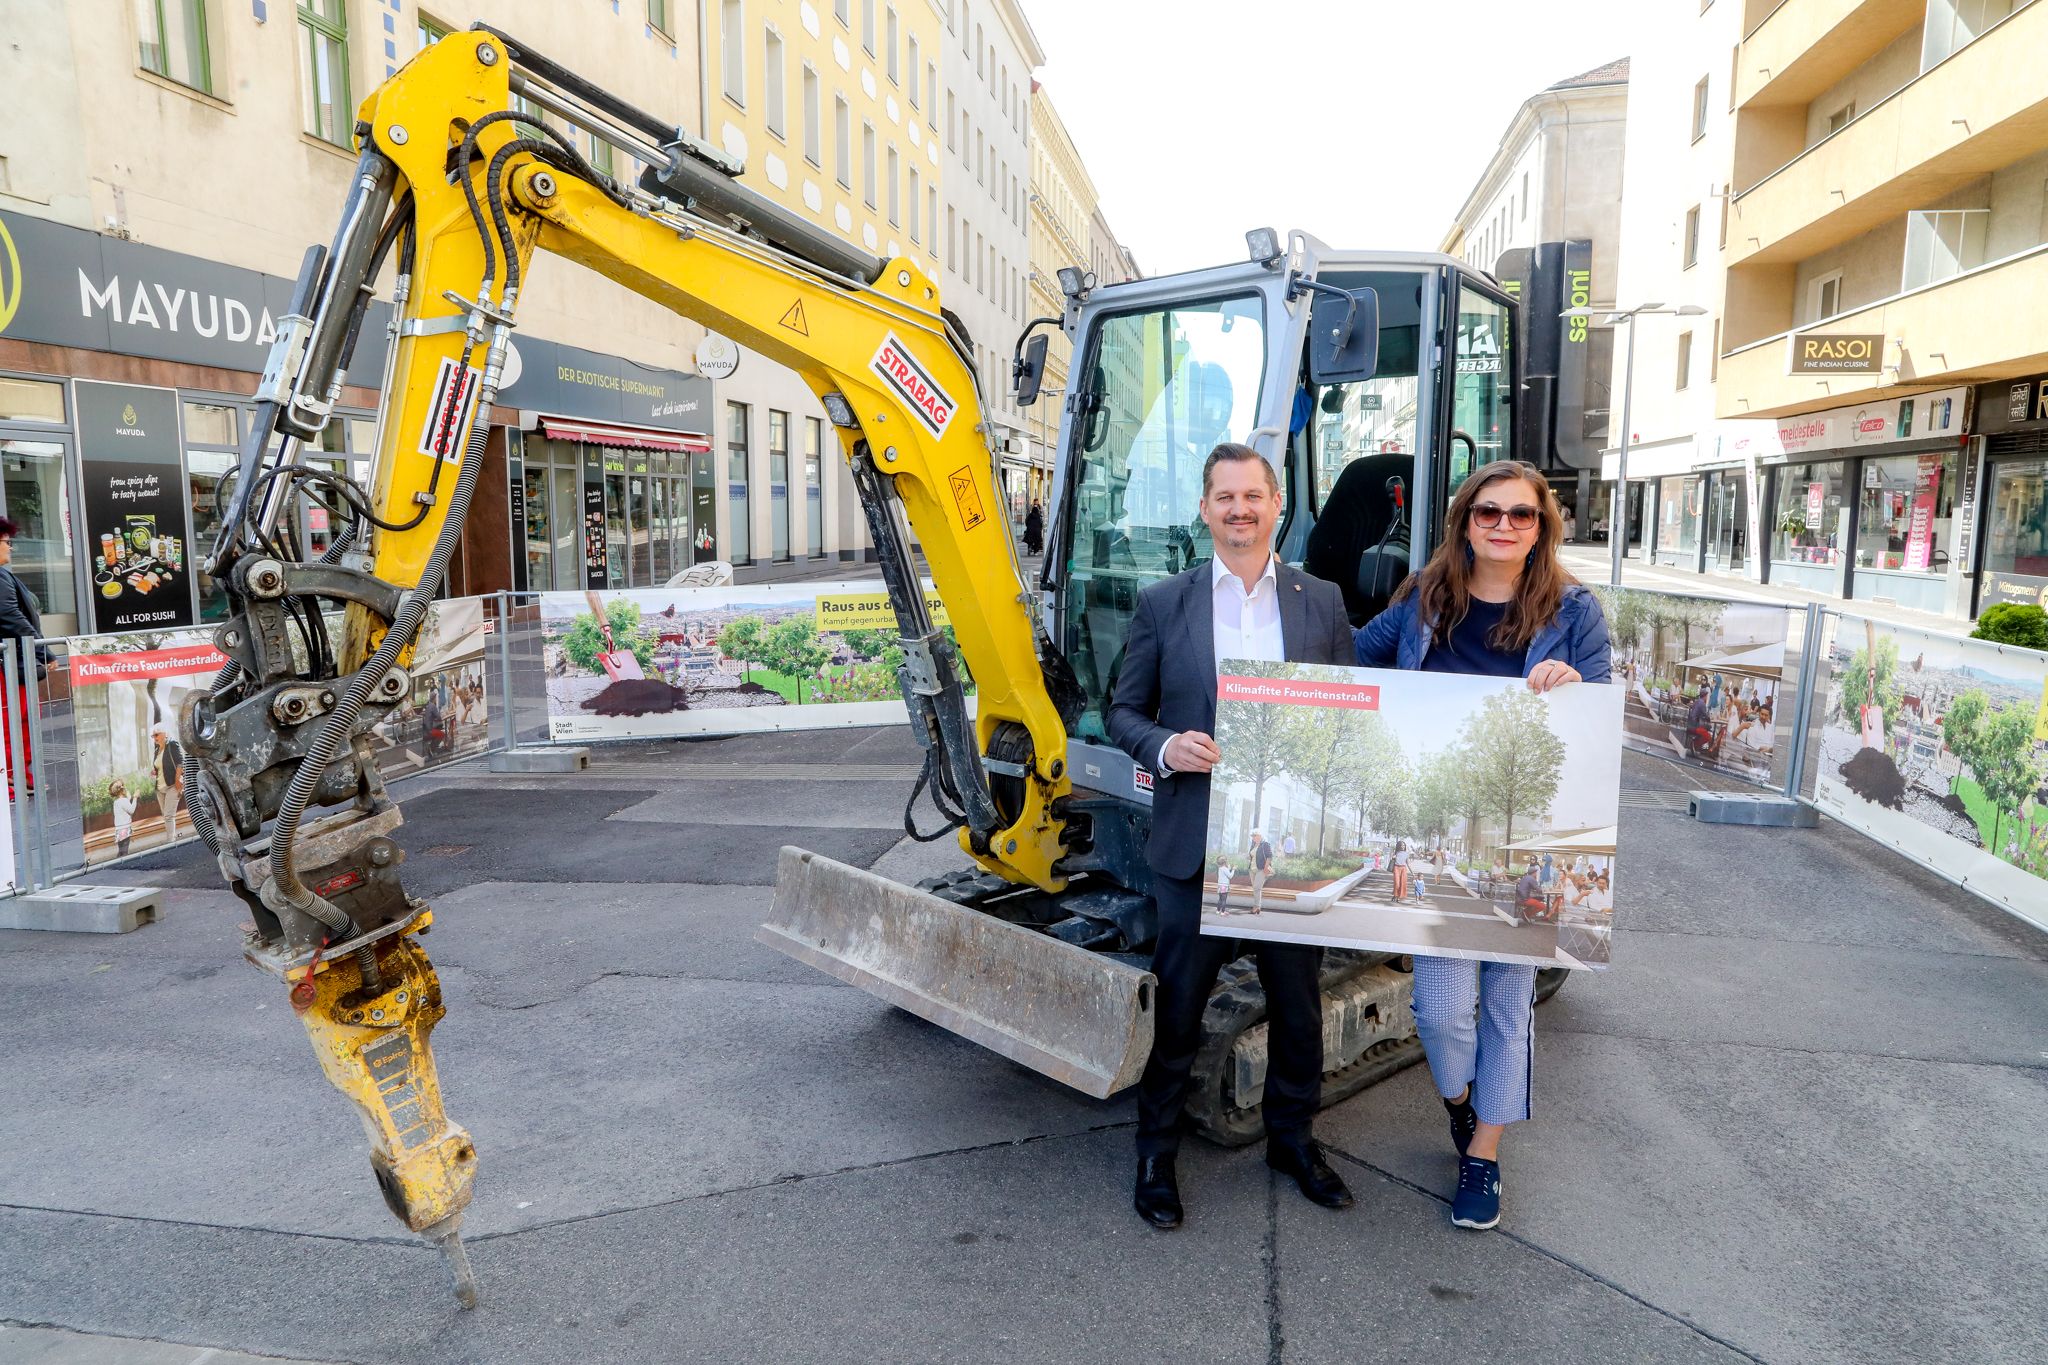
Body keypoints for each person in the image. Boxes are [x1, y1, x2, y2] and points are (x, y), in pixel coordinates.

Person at [1353, 458, 1611, 1232]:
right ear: (1466, 520)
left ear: (1542, 527)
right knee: (1439, 1011)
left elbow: (1600, 721)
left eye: (1521, 515)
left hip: (1526, 831)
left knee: (1506, 1003)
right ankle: (1461, 1101)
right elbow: (1354, 663)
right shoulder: (1424, 600)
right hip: (1443, 830)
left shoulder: (1574, 613)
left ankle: (1484, 1157)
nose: (1504, 525)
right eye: (1488, 512)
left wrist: (1578, 686)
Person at [1107, 441, 1358, 1231]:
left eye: (1254, 496)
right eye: (1225, 497)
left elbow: (1349, 708)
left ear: (1277, 504)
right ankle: (1156, 1153)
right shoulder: (1164, 603)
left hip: (1289, 845)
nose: (1241, 510)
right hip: (1195, 842)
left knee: (1296, 1005)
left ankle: (1293, 1138)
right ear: (1206, 509)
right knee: (1179, 1007)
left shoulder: (1321, 600)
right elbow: (1123, 710)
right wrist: (1164, 746)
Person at [0, 517, 49, 798]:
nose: (11, 548)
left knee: (22, 720)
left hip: (14, 661)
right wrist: (41, 647)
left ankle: (22, 777)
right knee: (13, 722)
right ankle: (13, 780)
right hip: (10, 662)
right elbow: (9, 616)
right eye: (7, 542)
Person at [1247, 830, 1274, 914]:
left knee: (1257, 888)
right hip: (1252, 869)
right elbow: (1252, 856)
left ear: (1260, 835)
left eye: (1255, 836)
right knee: (1256, 889)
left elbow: (1269, 856)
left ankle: (1256, 906)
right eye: (1253, 836)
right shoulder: (1253, 845)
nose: (1254, 838)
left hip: (1261, 869)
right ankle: (1257, 906)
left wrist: (1266, 867)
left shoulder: (1265, 844)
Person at [111, 780, 137, 857]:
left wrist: (128, 799)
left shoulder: (116, 802)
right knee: (125, 852)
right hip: (125, 829)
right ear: (123, 791)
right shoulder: (124, 801)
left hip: (119, 830)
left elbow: (124, 806)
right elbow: (131, 810)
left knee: (121, 851)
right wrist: (135, 798)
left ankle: (117, 864)